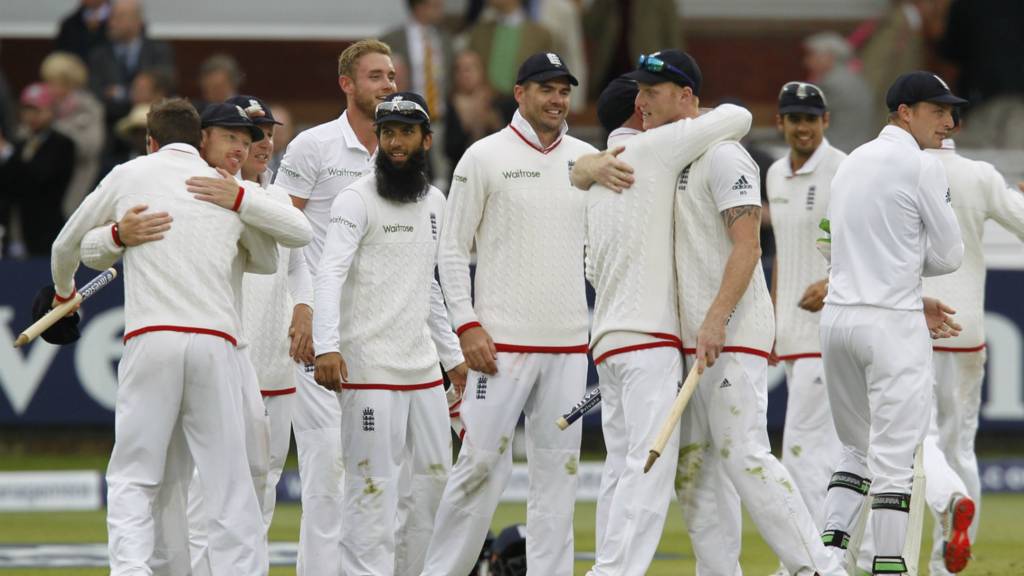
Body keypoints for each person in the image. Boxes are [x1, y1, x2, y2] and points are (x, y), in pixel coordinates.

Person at [79, 101, 312, 576]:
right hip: (213, 352)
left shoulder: (255, 198)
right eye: (238, 137)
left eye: (259, 137)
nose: (252, 146)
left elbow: (295, 236)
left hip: (248, 360)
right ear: (202, 139)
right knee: (177, 482)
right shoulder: (180, 184)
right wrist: (118, 236)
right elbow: (90, 242)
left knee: (246, 481)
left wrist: (240, 200)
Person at [421, 51, 597, 576]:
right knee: (477, 469)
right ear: (520, 94)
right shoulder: (484, 156)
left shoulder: (587, 160)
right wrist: (467, 325)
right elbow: (451, 250)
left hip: (568, 346)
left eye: (564, 90)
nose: (557, 99)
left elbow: (600, 255)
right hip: (499, 346)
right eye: (546, 89)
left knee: (558, 476)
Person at [570, 70, 753, 574]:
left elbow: (589, 265)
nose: (652, 103)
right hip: (649, 339)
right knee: (650, 469)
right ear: (637, 111)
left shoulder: (593, 181)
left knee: (621, 468)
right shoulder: (654, 152)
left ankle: (610, 563)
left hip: (607, 341)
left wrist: (584, 166)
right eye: (646, 97)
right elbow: (739, 115)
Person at [313, 90, 466, 576]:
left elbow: (431, 288)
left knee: (432, 490)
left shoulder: (437, 202)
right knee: (371, 493)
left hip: (422, 372)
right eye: (387, 132)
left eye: (405, 132)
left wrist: (454, 356)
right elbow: (328, 274)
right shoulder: (355, 199)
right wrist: (327, 347)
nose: (395, 143)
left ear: (426, 138)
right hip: (369, 371)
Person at [818, 71, 965, 575]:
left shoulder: (850, 161)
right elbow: (950, 255)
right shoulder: (922, 165)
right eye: (938, 110)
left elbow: (832, 244)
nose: (949, 122)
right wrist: (901, 264)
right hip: (891, 324)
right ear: (905, 111)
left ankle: (830, 559)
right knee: (895, 462)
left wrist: (888, 262)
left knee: (853, 451)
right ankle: (887, 568)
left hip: (837, 320)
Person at [274, 38, 396, 576]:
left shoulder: (403, 150)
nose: (388, 85)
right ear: (347, 84)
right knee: (327, 473)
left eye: (391, 76)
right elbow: (282, 231)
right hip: (320, 334)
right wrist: (301, 308)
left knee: (376, 473)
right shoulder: (313, 146)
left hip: (382, 334)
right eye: (376, 76)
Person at [918, 119, 1024, 575]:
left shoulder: (901, 168)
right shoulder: (980, 175)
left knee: (907, 444)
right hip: (966, 330)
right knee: (961, 448)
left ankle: (941, 505)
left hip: (913, 324)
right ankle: (947, 566)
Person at [766, 81, 845, 527]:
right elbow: (783, 251)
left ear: (825, 121)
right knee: (827, 451)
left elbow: (866, 244)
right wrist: (774, 320)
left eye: (811, 119)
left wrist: (833, 282)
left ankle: (813, 559)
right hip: (794, 333)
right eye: (795, 119)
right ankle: (833, 555)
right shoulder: (776, 174)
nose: (803, 128)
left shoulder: (845, 169)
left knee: (800, 450)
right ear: (780, 122)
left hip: (831, 328)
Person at [0, 83, 75, 258]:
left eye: (37, 110)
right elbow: (8, 185)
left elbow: (41, 177)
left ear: (51, 111)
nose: (31, 116)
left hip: (47, 229)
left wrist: (8, 154)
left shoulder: (62, 144)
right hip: (18, 227)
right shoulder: (20, 143)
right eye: (27, 110)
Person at [40, 51, 106, 218]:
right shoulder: (44, 107)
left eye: (52, 82)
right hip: (46, 185)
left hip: (77, 181)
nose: (47, 87)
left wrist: (56, 129)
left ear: (69, 83)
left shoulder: (89, 107)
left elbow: (91, 147)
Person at [467, 0, 555, 98]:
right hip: (485, 105)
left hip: (524, 105)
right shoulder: (479, 32)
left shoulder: (541, 35)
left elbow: (548, 79)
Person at [803, 32, 875, 152]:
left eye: (812, 55)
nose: (806, 61)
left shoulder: (830, 84)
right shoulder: (856, 79)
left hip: (836, 148)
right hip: (857, 146)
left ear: (829, 57)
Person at [443, 50, 505, 182]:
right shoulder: (450, 104)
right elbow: (449, 150)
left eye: (470, 68)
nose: (464, 74)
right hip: (461, 176)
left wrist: (489, 119)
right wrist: (466, 124)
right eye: (459, 70)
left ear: (482, 71)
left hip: (495, 175)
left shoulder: (498, 101)